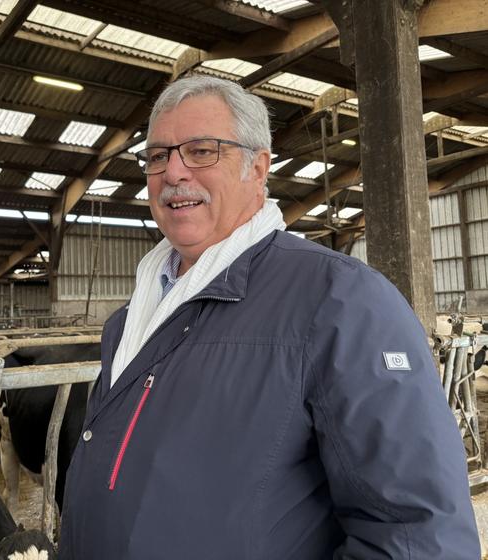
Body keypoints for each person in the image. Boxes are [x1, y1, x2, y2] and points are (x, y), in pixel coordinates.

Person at [58, 75, 480, 559]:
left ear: (258, 169)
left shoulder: (341, 301)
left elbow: (417, 535)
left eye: (201, 151)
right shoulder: (129, 320)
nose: (173, 172)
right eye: (157, 155)